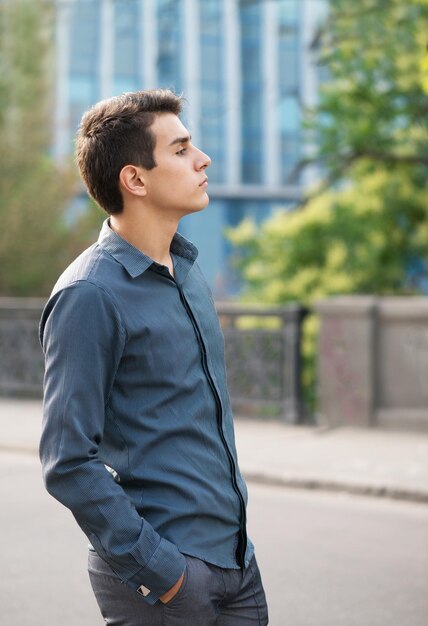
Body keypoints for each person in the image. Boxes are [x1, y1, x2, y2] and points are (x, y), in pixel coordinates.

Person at [39, 89, 268, 625]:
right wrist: (161, 571)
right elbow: (67, 460)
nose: (202, 158)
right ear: (135, 179)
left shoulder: (187, 270)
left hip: (237, 562)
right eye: (182, 149)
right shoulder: (89, 295)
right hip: (166, 581)